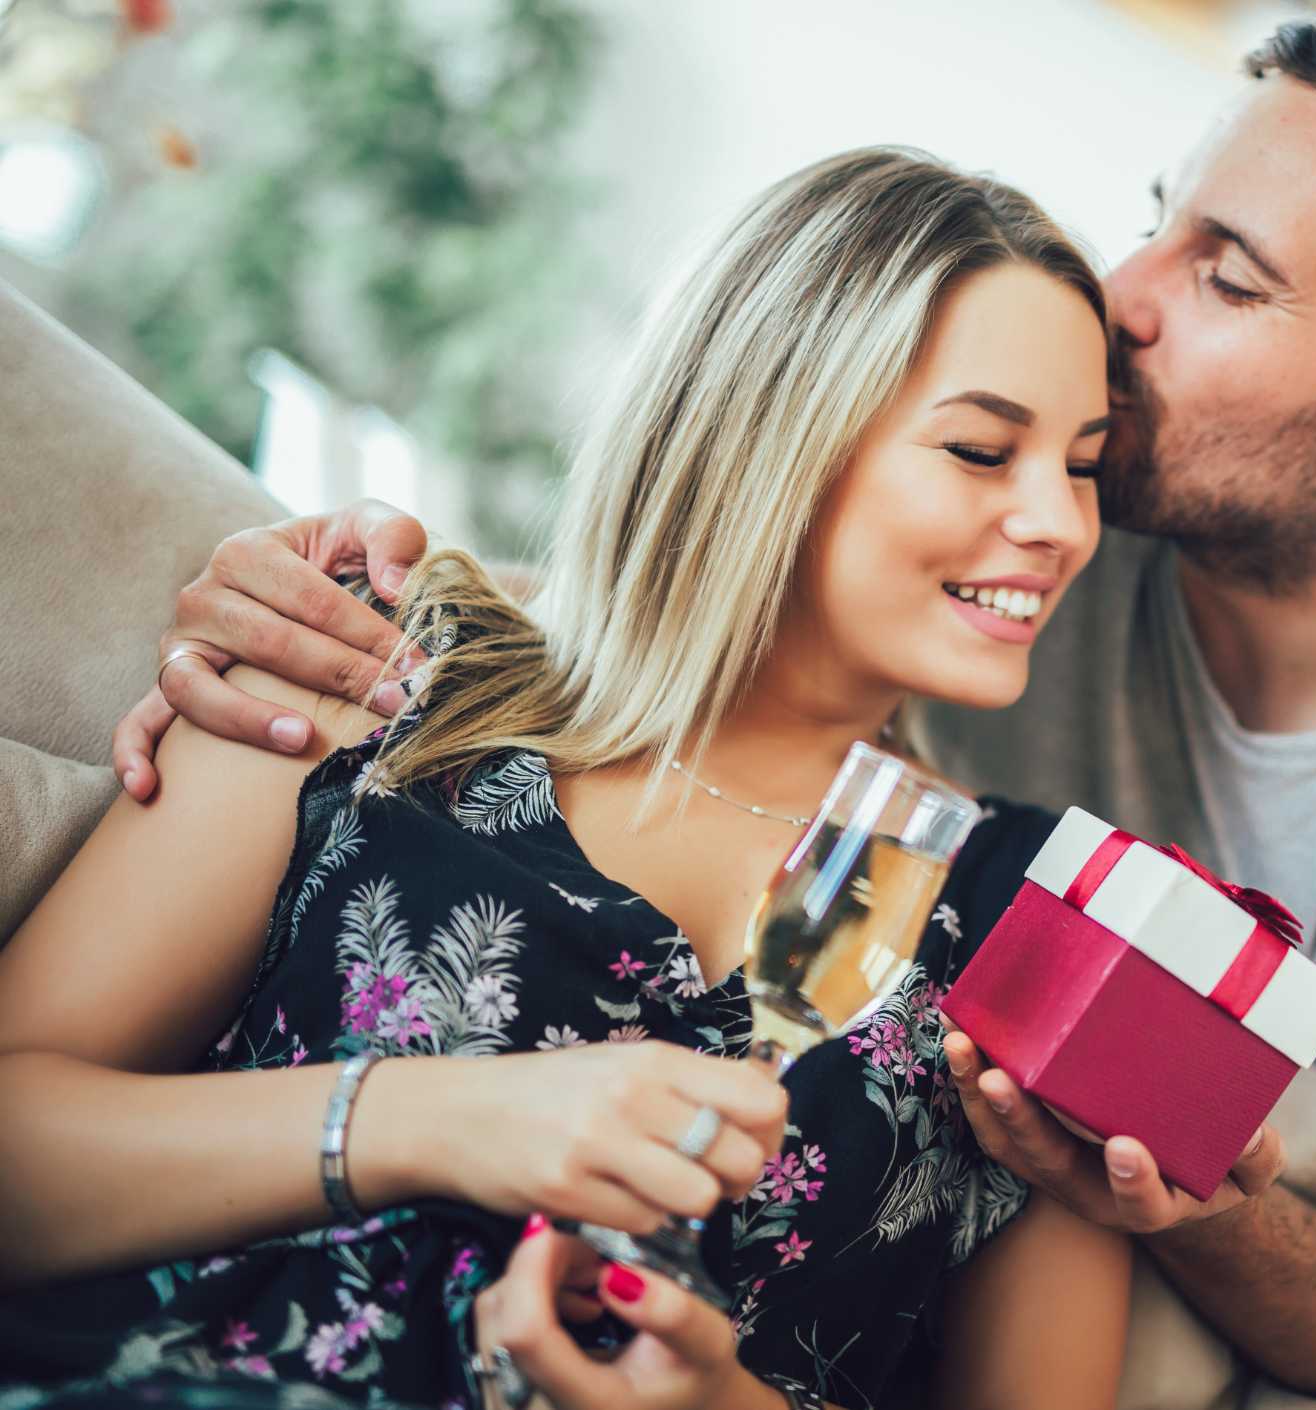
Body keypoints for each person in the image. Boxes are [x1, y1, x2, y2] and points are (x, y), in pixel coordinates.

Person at [115, 8, 1316, 1399]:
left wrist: (1195, 1202)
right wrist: (368, 596)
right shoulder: (398, 674)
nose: (1125, 296)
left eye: (1227, 275)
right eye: (1159, 223)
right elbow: (712, 597)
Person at [0, 148, 1141, 1410]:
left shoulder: (1053, 929)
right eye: (981, 449)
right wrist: (442, 1121)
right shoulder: (370, 660)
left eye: (1083, 465)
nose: (1061, 524)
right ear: (765, 432)